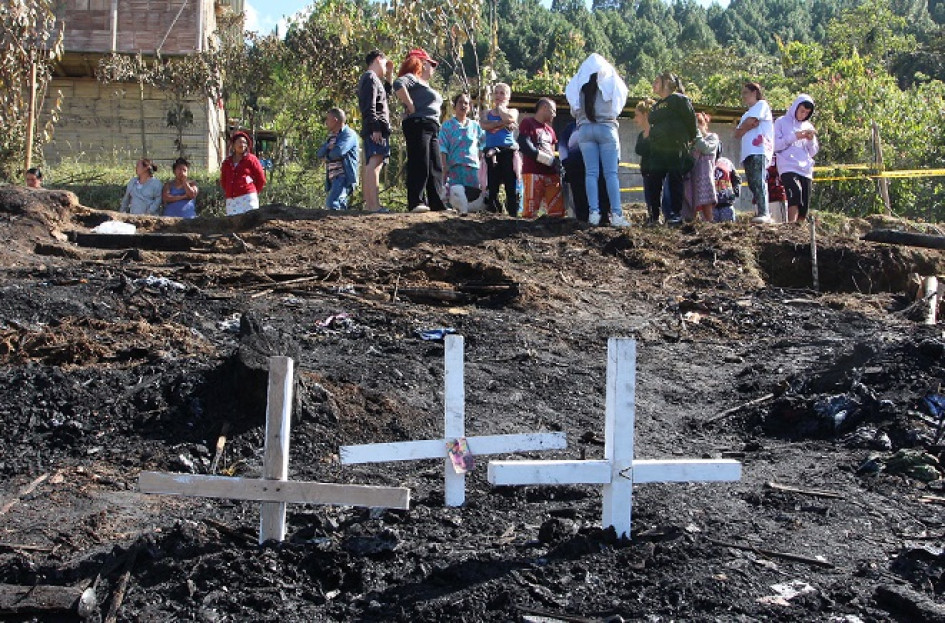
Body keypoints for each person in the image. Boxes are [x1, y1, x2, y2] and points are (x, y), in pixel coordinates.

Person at [565, 53, 630, 227]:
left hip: (585, 130)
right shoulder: (610, 81)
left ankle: (593, 213)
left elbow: (573, 110)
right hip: (607, 128)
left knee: (591, 173)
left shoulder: (580, 85)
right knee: (611, 175)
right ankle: (616, 215)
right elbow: (621, 97)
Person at [393, 48, 445, 213]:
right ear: (422, 63)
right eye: (431, 64)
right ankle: (416, 201)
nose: (433, 68)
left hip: (432, 126)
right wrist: (410, 105)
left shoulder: (425, 84)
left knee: (434, 165)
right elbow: (397, 83)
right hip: (418, 123)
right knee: (419, 162)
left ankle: (436, 203)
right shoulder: (412, 78)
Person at [646, 71, 697, 225]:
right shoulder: (656, 106)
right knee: (654, 180)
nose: (653, 84)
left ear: (667, 82)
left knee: (675, 179)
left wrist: (689, 139)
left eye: (656, 81)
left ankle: (674, 214)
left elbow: (691, 121)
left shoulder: (679, 100)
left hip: (676, 145)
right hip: (658, 148)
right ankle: (654, 215)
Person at [358, 50, 395, 212]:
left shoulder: (373, 80)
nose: (386, 67)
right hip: (376, 128)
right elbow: (370, 106)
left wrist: (389, 77)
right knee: (375, 163)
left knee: (373, 164)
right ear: (378, 59)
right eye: (384, 62)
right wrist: (375, 128)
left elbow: (384, 97)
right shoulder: (370, 78)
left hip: (376, 127)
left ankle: (370, 204)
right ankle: (374, 206)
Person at [439, 93, 486, 215]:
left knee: (472, 198)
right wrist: (444, 167)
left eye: (466, 103)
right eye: (460, 102)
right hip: (454, 168)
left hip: (472, 169)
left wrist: (480, 156)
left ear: (469, 107)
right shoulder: (447, 126)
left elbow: (483, 143)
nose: (463, 105)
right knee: (454, 197)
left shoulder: (475, 126)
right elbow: (442, 147)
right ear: (454, 106)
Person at [774, 94, 819, 224]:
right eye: (801, 111)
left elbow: (813, 151)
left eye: (807, 113)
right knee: (795, 192)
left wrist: (810, 140)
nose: (803, 115)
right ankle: (791, 224)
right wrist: (795, 136)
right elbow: (776, 145)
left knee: (805, 203)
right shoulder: (781, 122)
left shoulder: (809, 126)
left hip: (805, 168)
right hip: (787, 165)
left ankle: (800, 227)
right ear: (795, 107)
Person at [516, 98, 563, 219]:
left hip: (551, 174)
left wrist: (556, 165)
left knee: (557, 211)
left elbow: (552, 150)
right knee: (530, 212)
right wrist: (549, 161)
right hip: (533, 172)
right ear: (544, 108)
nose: (555, 114)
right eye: (553, 110)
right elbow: (525, 145)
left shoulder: (550, 130)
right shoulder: (528, 122)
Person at [735, 82, 774, 224]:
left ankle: (765, 212)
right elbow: (737, 133)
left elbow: (751, 122)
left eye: (746, 93)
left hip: (759, 149)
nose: (743, 96)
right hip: (748, 152)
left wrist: (747, 125)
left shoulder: (761, 105)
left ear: (754, 93)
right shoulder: (746, 113)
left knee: (759, 179)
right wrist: (747, 126)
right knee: (752, 183)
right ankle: (760, 211)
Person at [559, 119, 610, 224]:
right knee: (580, 197)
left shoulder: (602, 124)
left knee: (602, 194)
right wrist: (566, 163)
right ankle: (582, 222)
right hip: (576, 168)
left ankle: (603, 220)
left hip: (598, 167)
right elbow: (562, 147)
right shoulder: (571, 127)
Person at [480, 82, 519, 216]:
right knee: (492, 186)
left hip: (507, 151)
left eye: (502, 93)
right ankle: (494, 214)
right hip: (491, 153)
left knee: (510, 186)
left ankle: (513, 216)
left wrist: (502, 109)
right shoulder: (486, 112)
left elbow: (510, 117)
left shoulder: (513, 110)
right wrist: (503, 123)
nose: (498, 96)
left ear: (508, 97)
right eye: (496, 93)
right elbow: (484, 125)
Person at [316, 108, 360, 210]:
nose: (326, 122)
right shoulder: (331, 136)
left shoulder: (349, 134)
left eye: (328, 119)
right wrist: (328, 147)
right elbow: (319, 153)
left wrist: (327, 157)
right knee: (340, 205)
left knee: (333, 203)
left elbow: (338, 152)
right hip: (333, 177)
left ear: (335, 120)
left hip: (343, 176)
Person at [683, 112, 719, 222]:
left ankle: (710, 225)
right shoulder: (690, 142)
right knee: (690, 204)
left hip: (705, 176)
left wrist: (696, 133)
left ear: (704, 124)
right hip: (692, 176)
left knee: (706, 205)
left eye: (698, 123)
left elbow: (704, 147)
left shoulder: (712, 137)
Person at [220, 130, 266, 216]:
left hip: (248, 199)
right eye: (239, 142)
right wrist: (230, 190)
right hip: (232, 201)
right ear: (233, 145)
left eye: (244, 142)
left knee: (249, 225)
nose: (242, 145)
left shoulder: (251, 159)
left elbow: (261, 179)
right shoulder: (227, 162)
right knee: (233, 225)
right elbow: (224, 180)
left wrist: (252, 191)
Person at [633, 99, 661, 224]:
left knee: (656, 196)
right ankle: (652, 217)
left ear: (645, 115)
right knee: (649, 197)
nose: (635, 119)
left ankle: (657, 218)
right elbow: (638, 150)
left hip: (658, 170)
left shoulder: (658, 132)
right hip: (646, 170)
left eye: (637, 115)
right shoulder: (641, 135)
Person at [713, 155, 740, 222]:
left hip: (726, 202)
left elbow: (737, 178)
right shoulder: (704, 161)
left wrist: (735, 192)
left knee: (728, 228)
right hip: (710, 205)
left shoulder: (726, 162)